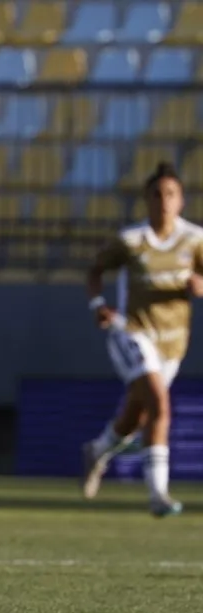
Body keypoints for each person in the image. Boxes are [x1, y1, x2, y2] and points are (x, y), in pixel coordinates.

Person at [82, 162, 203, 516]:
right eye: (156, 194)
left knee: (136, 416)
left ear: (181, 201)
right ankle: (158, 495)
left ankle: (98, 450)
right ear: (146, 200)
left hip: (172, 343)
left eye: (170, 194)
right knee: (160, 406)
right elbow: (95, 269)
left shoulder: (195, 239)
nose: (163, 201)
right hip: (131, 332)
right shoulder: (131, 241)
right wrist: (98, 304)